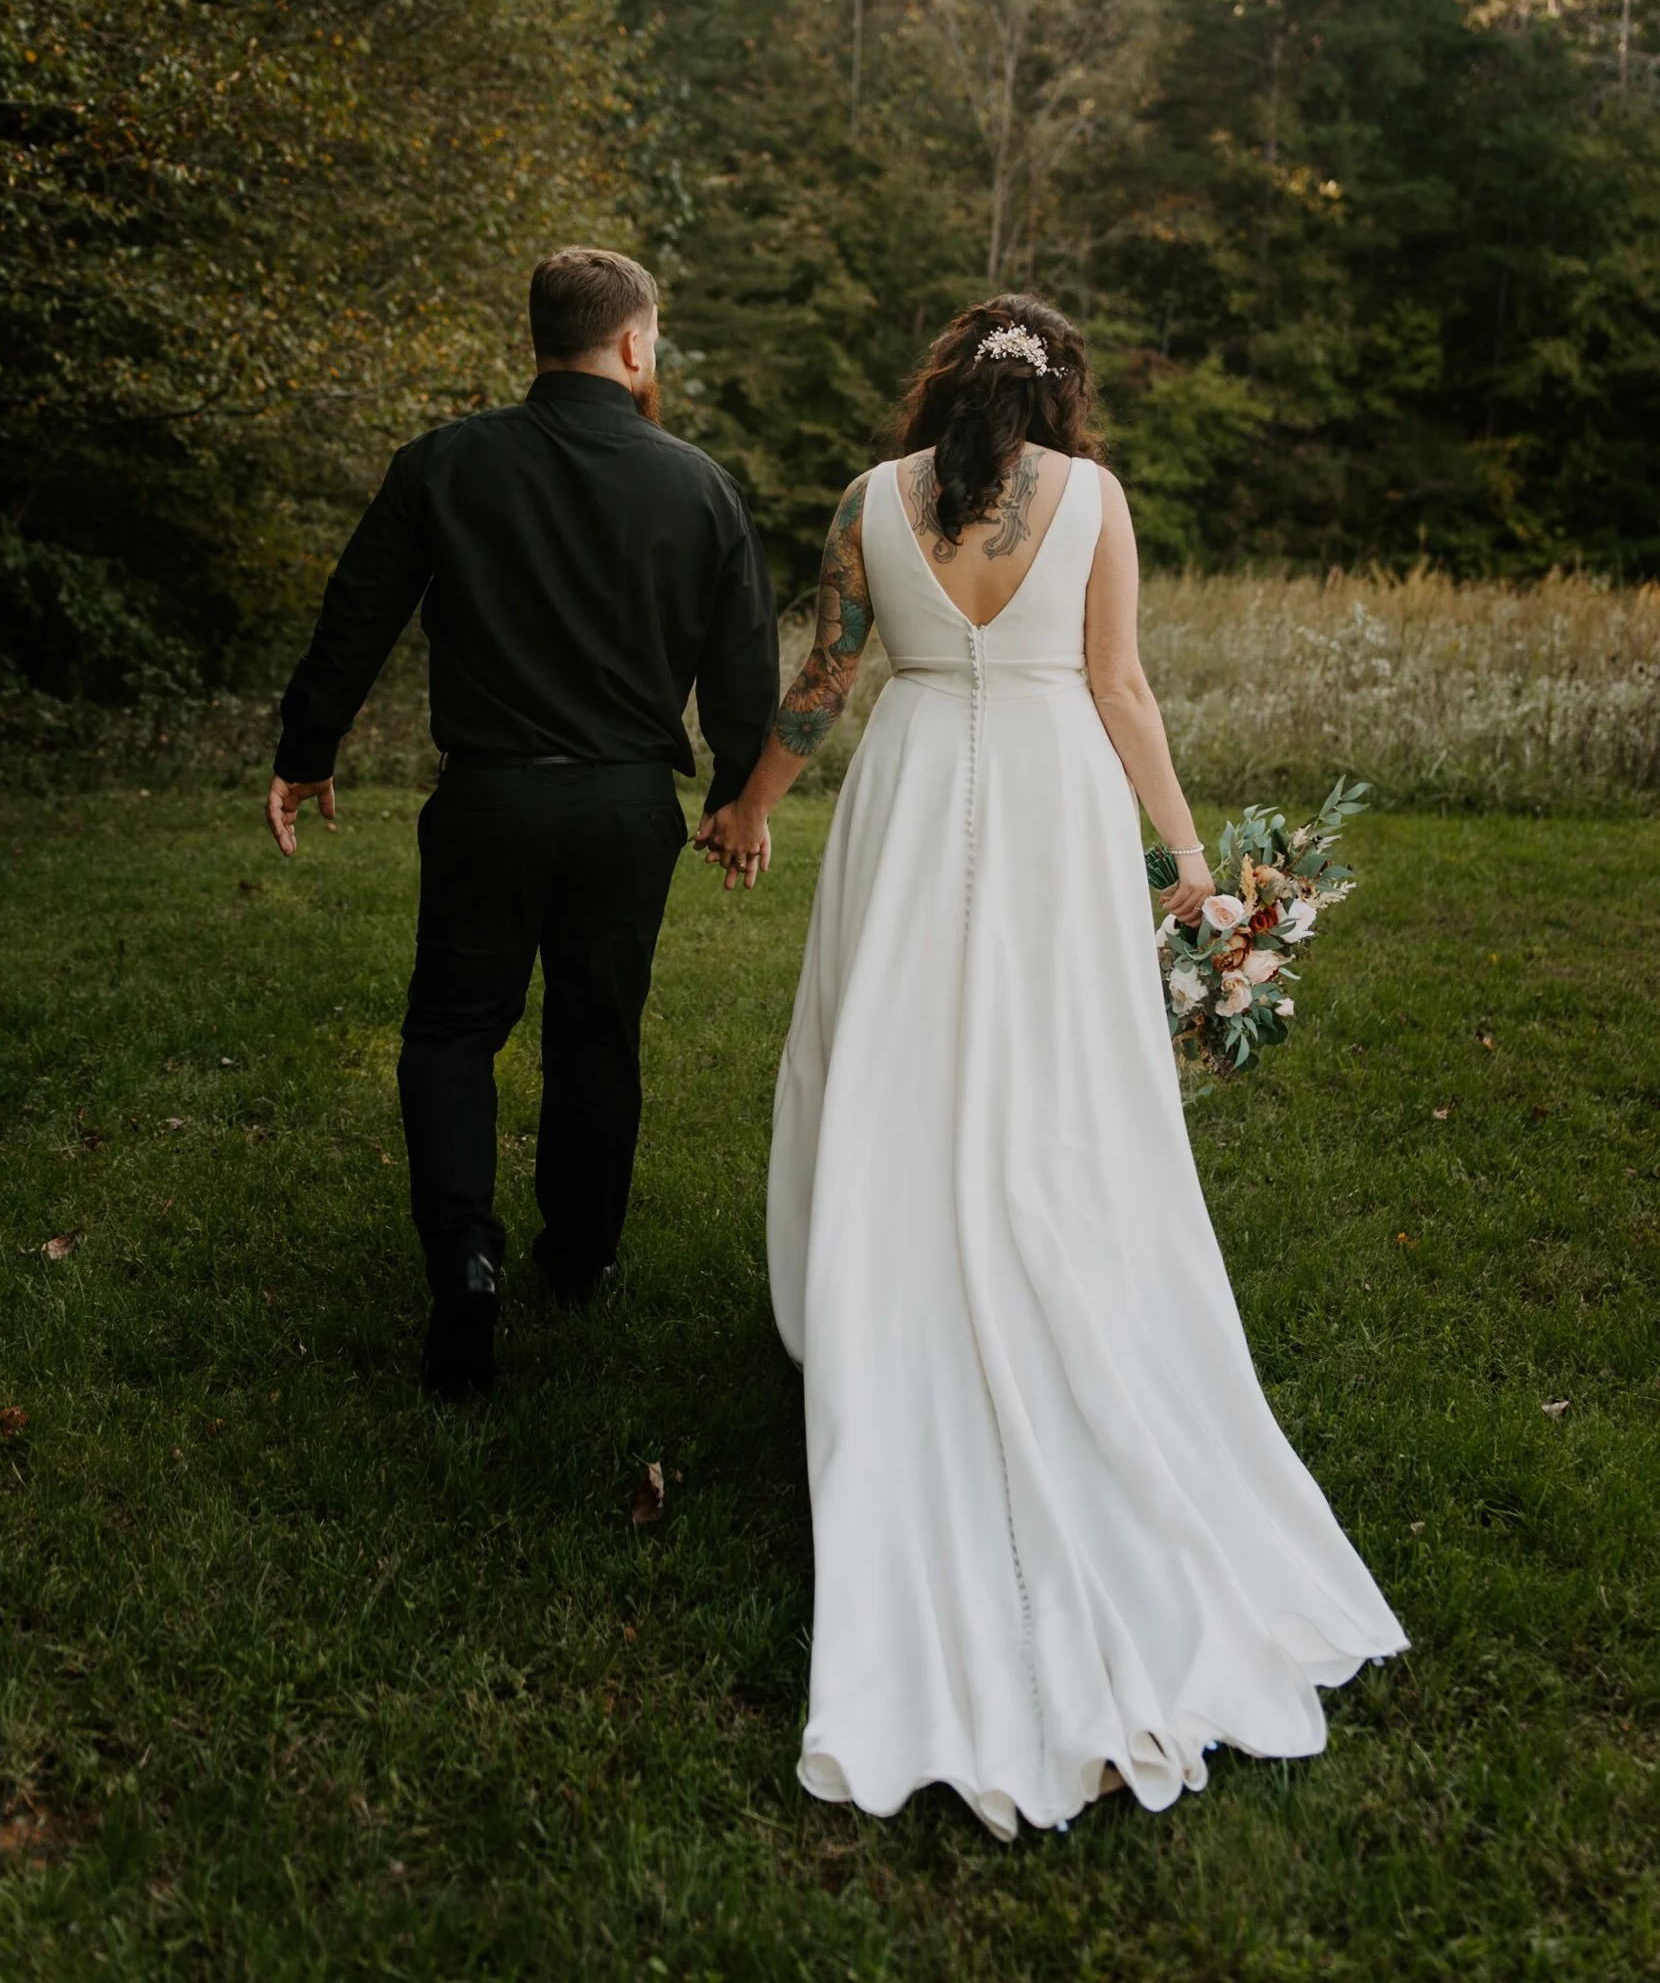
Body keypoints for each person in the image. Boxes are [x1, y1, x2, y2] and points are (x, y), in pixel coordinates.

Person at [697, 295, 1406, 1836]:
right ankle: (1031, 1258)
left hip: (905, 794)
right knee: (1054, 1072)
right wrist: (1190, 858)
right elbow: (1119, 689)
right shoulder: (1094, 501)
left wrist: (751, 805)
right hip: (1051, 803)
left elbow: (821, 681)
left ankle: (878, 1283)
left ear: (940, 386)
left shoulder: (864, 503)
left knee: (884, 1049)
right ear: (1064, 398)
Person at [266, 248, 778, 1398]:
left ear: (537, 337)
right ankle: (581, 1255)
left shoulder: (444, 463)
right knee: (597, 1031)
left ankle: (465, 1260)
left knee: (452, 1030)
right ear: (636, 342)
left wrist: (307, 751)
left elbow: (358, 612)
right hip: (623, 807)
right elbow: (744, 659)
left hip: (489, 797)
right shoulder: (699, 484)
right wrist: (739, 794)